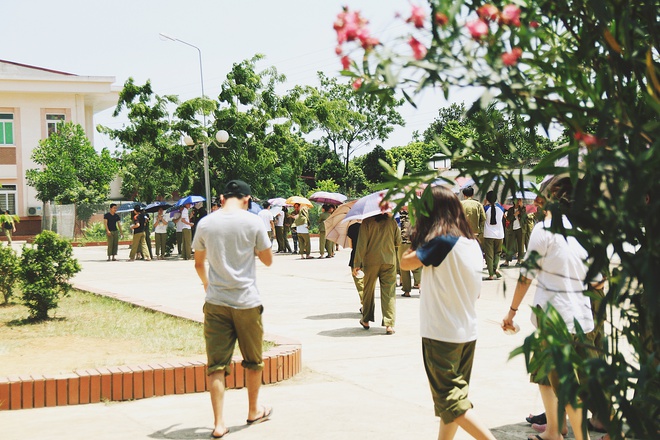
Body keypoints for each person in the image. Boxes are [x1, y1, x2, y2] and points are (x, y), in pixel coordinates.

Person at [502, 176, 602, 440]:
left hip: (555, 322)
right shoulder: (583, 232)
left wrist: (511, 312)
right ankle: (554, 432)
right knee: (548, 376)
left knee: (568, 389)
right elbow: (600, 281)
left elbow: (526, 276)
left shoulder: (544, 229)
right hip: (582, 321)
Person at [400, 185, 496, 440]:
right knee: (453, 403)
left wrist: (416, 234)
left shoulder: (441, 242)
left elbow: (405, 262)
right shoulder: (471, 243)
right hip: (467, 332)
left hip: (441, 333)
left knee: (453, 404)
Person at [192, 179, 273, 438]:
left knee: (216, 365)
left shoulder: (206, 223)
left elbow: (197, 263)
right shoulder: (253, 222)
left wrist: (207, 284)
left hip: (216, 301)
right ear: (247, 199)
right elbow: (268, 260)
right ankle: (252, 410)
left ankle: (218, 424)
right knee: (253, 360)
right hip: (247, 301)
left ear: (222, 197)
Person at [353, 212, 401, 335]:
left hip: (371, 261)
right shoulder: (392, 221)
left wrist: (357, 264)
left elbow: (361, 244)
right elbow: (398, 241)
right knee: (389, 292)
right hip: (389, 260)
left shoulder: (367, 222)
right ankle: (389, 324)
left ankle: (366, 320)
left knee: (368, 290)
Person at [397, 207, 421, 297]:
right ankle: (420, 286)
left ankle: (407, 291)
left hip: (403, 242)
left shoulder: (400, 214)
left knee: (404, 266)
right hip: (415, 242)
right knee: (417, 266)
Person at [483, 191, 505, 280]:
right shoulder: (501, 208)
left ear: (487, 199)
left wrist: (485, 204)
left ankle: (491, 274)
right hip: (499, 234)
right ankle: (495, 269)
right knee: (497, 253)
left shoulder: (485, 208)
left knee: (489, 255)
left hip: (488, 234)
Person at [347, 220, 364, 308]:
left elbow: (351, 246)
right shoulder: (371, 226)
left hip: (355, 257)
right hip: (370, 257)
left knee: (359, 283)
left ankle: (365, 305)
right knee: (369, 283)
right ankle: (368, 304)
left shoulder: (352, 227)